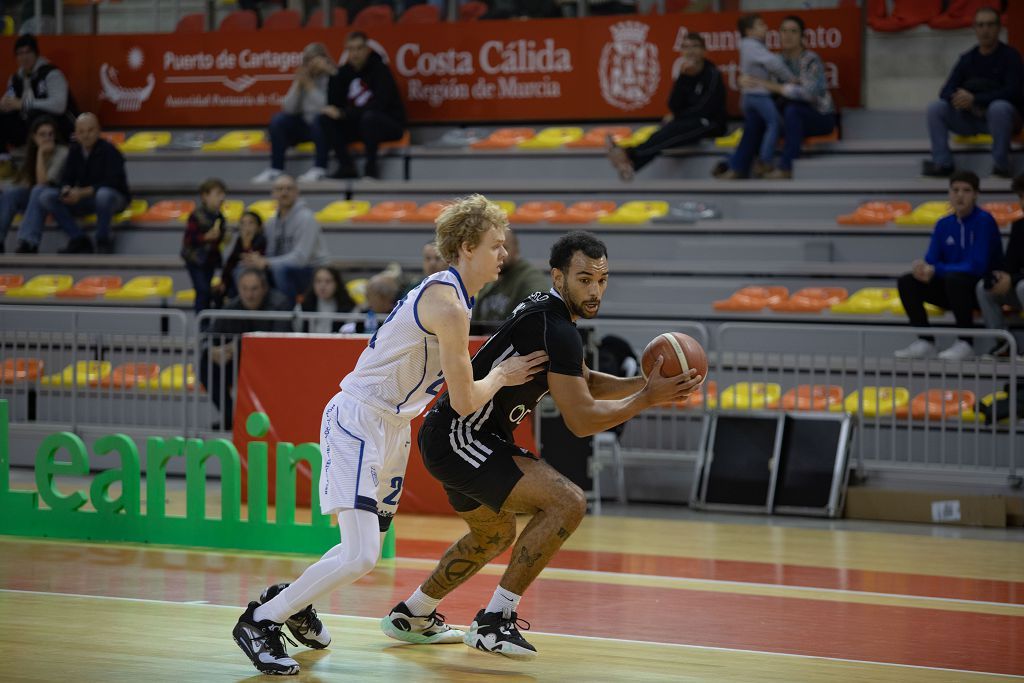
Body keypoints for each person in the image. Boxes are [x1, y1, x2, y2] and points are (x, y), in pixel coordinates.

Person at [231, 194, 548, 676]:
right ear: (466, 247)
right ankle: (260, 620)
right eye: (495, 245)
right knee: (362, 555)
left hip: (393, 426)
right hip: (361, 419)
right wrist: (504, 375)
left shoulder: (456, 296)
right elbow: (464, 401)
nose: (504, 253)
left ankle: (290, 602)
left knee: (361, 546)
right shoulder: (448, 302)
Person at [380, 231, 702, 659]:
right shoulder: (557, 327)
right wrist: (646, 399)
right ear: (559, 275)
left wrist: (646, 383)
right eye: (584, 279)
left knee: (492, 535)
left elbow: (582, 381)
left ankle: (413, 614)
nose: (595, 290)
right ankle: (495, 621)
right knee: (568, 502)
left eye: (602, 280)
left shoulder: (551, 315)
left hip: (456, 436)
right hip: (462, 436)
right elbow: (582, 420)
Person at [895, 170, 1003, 361]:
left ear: (976, 194)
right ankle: (926, 341)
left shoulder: (985, 221)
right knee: (907, 281)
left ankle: (966, 342)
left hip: (980, 290)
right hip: (951, 288)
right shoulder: (943, 224)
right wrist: (922, 268)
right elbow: (932, 259)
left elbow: (977, 266)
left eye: (966, 190)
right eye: (955, 190)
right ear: (949, 193)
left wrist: (937, 270)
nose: (960, 195)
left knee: (955, 280)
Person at [606, 32, 726, 182]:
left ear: (703, 51)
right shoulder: (684, 74)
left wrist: (678, 117)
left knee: (673, 129)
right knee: (661, 134)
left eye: (695, 46)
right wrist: (685, 78)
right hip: (688, 122)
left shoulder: (712, 74)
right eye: (686, 47)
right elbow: (673, 105)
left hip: (711, 123)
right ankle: (632, 163)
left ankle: (629, 153)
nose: (691, 51)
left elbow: (706, 109)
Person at [732, 15, 836, 180]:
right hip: (788, 117)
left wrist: (774, 86)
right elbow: (759, 84)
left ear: (802, 37)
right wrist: (743, 80)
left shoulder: (810, 59)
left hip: (819, 116)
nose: (788, 35)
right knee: (756, 116)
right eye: (784, 31)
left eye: (793, 31)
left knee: (793, 110)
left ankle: (786, 167)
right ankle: (738, 167)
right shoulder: (776, 60)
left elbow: (809, 95)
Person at [924, 6, 1023, 178]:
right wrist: (960, 98)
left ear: (999, 28)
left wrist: (976, 98)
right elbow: (945, 91)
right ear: (975, 29)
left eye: (990, 25)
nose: (985, 30)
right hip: (970, 118)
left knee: (999, 108)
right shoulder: (967, 59)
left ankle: (1002, 166)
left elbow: (1014, 92)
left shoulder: (1010, 56)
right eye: (981, 25)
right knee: (936, 108)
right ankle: (943, 163)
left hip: (1002, 120)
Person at [18, 112, 129, 254]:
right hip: (85, 199)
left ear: (98, 130)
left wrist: (82, 192)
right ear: (76, 133)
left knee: (103, 195)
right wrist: (66, 190)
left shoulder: (110, 151)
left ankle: (103, 241)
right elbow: (66, 179)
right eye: (81, 131)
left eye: (90, 130)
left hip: (114, 198)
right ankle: (79, 239)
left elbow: (113, 182)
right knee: (46, 196)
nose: (86, 135)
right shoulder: (75, 151)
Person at [200, 267, 292, 431]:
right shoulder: (232, 307)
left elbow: (279, 343)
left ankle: (270, 421)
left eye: (254, 288)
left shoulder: (280, 304)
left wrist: (239, 346)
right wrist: (211, 350)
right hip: (240, 364)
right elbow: (208, 336)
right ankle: (231, 417)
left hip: (273, 365)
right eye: (245, 289)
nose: (250, 294)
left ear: (264, 288)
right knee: (206, 364)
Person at [715, 14, 795, 179]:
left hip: (756, 96)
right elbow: (773, 63)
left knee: (753, 127)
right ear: (749, 31)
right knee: (774, 123)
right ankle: (764, 162)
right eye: (761, 25)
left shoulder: (753, 46)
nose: (766, 28)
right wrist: (790, 79)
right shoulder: (754, 46)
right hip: (758, 95)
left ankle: (732, 165)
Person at [251, 43, 338, 185]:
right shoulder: (303, 78)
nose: (311, 64)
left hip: (325, 127)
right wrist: (298, 86)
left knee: (320, 120)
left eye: (315, 59)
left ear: (325, 59)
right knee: (278, 120)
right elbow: (289, 108)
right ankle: (276, 169)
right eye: (307, 60)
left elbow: (327, 107)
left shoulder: (334, 76)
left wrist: (310, 86)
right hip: (304, 126)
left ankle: (319, 168)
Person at [325, 31, 406, 179]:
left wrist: (345, 114)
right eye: (351, 49)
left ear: (367, 49)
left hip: (387, 124)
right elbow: (333, 105)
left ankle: (371, 170)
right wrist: (332, 78)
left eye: (359, 48)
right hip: (357, 125)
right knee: (325, 119)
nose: (355, 53)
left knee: (370, 118)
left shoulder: (380, 70)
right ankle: (346, 166)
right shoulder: (341, 73)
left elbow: (381, 105)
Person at [241, 174, 331, 303]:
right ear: (273, 193)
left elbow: (301, 259)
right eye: (280, 189)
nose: (284, 192)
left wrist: (267, 263)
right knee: (244, 271)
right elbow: (269, 253)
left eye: (289, 189)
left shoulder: (306, 218)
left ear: (297, 192)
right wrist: (255, 259)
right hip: (286, 269)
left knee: (279, 270)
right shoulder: (271, 223)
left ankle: (289, 314)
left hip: (314, 270)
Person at [0, 34, 76, 175]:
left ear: (36, 53)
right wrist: (4, 103)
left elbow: (59, 105)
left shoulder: (52, 74)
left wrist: (24, 104)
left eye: (28, 52)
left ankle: (39, 158)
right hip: (28, 128)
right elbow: (9, 97)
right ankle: (4, 160)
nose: (24, 57)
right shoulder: (15, 79)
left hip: (59, 126)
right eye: (20, 53)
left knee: (35, 113)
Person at [1, 115, 67, 254]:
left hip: (57, 198)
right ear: (34, 137)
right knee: (10, 194)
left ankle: (28, 242)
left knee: (39, 190)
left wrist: (41, 153)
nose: (47, 138)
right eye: (42, 135)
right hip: (37, 200)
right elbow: (24, 183)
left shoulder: (62, 152)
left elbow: (43, 182)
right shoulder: (31, 153)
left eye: (51, 134)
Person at [977, 174, 1024, 357]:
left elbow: (1015, 277)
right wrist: (1000, 277)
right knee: (984, 287)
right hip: (1019, 285)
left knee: (1022, 287)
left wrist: (1012, 279)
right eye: (1021, 197)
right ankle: (1003, 343)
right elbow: (1010, 264)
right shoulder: (1019, 226)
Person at [472, 229, 549, 331]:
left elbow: (542, 313)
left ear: (516, 250)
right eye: (494, 248)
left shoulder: (530, 278)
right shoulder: (489, 275)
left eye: (505, 247)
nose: (500, 254)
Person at [181, 178, 227, 314]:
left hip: (210, 261)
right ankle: (202, 325)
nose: (222, 197)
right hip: (195, 260)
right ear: (205, 196)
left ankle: (207, 322)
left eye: (223, 194)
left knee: (207, 291)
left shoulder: (221, 217)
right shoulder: (196, 215)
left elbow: (219, 241)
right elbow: (189, 239)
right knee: (202, 291)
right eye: (218, 193)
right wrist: (206, 237)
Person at [218, 210, 267, 304]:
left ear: (258, 226)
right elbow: (230, 262)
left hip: (256, 274)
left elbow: (250, 258)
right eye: (243, 224)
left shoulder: (261, 239)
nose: (246, 227)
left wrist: (246, 242)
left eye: (251, 223)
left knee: (240, 273)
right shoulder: (239, 240)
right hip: (237, 276)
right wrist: (223, 281)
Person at [297, 266, 358, 334]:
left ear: (337, 284)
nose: (322, 286)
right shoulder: (303, 306)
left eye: (328, 281)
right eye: (318, 281)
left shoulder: (349, 308)